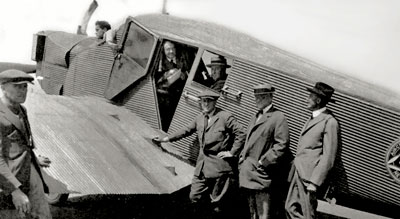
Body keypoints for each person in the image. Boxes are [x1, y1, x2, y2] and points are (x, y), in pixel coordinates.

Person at [153, 89, 246, 218]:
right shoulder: (200, 117)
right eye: (203, 101)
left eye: (208, 101)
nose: (206, 104)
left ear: (214, 102)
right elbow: (185, 130)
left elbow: (241, 133)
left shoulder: (224, 117)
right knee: (194, 196)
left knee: (216, 204)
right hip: (202, 166)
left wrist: (232, 152)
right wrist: (165, 139)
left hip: (219, 169)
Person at [0, 69, 52, 219]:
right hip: (8, 179)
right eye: (17, 86)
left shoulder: (21, 110)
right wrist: (14, 191)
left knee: (42, 214)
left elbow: (23, 142)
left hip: (28, 169)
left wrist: (34, 158)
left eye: (25, 87)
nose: (23, 91)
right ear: (3, 87)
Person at [285, 82, 340, 219]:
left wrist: (315, 182)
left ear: (318, 100)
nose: (306, 99)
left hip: (309, 178)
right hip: (300, 172)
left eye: (310, 96)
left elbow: (329, 157)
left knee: (307, 213)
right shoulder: (313, 118)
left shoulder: (330, 122)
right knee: (290, 207)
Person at [238, 83, 292, 219]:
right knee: (253, 213)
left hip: (262, 174)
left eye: (261, 97)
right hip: (248, 171)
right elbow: (249, 140)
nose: (257, 100)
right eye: (256, 97)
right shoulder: (256, 116)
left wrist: (264, 162)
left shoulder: (278, 117)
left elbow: (282, 145)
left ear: (269, 97)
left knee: (263, 215)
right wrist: (242, 157)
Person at [155, 40, 192, 131]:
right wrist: (166, 75)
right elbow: (157, 81)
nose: (171, 51)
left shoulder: (183, 60)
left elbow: (190, 73)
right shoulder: (160, 63)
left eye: (172, 48)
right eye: (168, 49)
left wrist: (185, 76)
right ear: (163, 51)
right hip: (166, 98)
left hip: (180, 98)